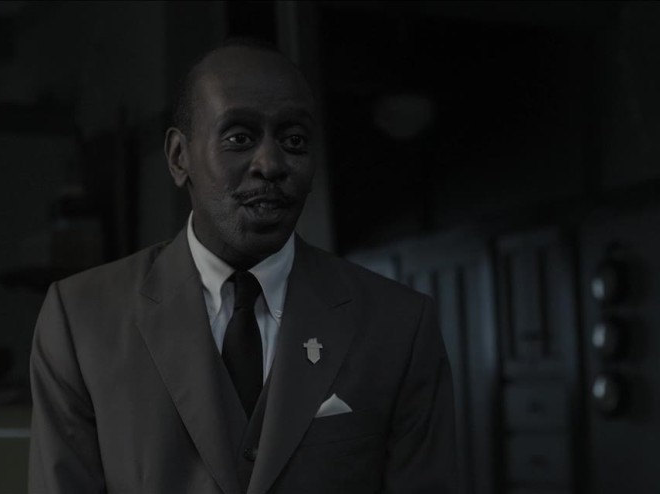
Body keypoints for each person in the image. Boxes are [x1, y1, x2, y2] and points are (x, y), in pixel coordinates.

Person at [28, 39, 457, 494]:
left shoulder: (399, 325)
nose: (271, 164)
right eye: (239, 138)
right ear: (178, 157)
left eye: (294, 140)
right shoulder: (81, 319)